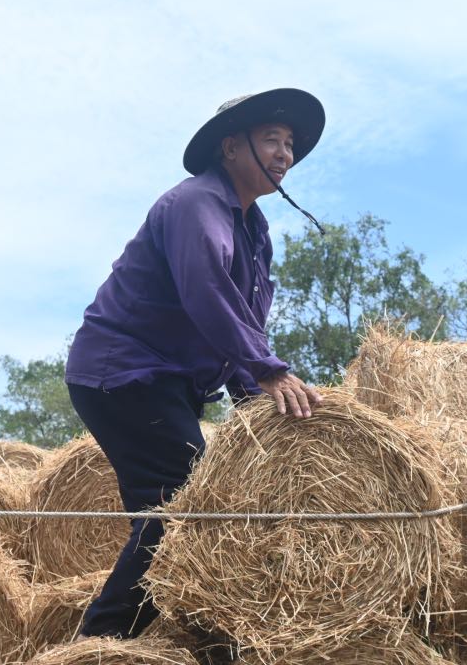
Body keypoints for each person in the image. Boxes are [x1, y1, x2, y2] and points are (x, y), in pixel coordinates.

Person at [64, 88, 326, 639]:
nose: (285, 154)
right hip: (125, 372)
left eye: (290, 145)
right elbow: (206, 291)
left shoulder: (255, 230)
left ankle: (180, 640)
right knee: (187, 504)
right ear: (231, 147)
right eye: (271, 140)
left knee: (169, 520)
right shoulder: (196, 203)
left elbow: (242, 323)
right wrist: (268, 368)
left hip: (168, 383)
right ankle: (101, 643)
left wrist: (257, 404)